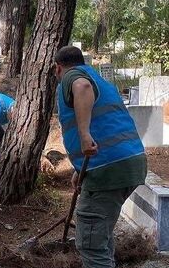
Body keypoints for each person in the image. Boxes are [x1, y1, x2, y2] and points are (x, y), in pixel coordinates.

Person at [54, 46, 146, 268]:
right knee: (100, 235)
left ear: (58, 68)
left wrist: (85, 136)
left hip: (108, 168)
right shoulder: (98, 79)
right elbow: (104, 124)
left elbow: (81, 87)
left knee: (91, 243)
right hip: (130, 162)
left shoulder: (72, 76)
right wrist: (80, 171)